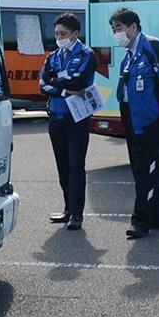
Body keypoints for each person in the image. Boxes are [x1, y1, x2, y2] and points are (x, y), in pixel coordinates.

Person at [110, 7, 159, 239]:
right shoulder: (129, 54)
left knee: (145, 171)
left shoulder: (152, 46)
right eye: (113, 29)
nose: (116, 33)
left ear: (133, 27)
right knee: (144, 170)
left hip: (152, 120)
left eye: (119, 28)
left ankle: (140, 221)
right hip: (133, 119)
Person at [38, 12, 95, 231]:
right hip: (56, 116)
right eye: (56, 33)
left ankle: (77, 214)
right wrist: (63, 90)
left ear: (75, 34)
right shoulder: (53, 56)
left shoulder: (87, 54)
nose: (59, 37)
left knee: (75, 166)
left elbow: (79, 81)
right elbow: (42, 83)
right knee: (62, 166)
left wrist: (55, 82)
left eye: (63, 33)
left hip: (77, 119)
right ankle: (67, 209)